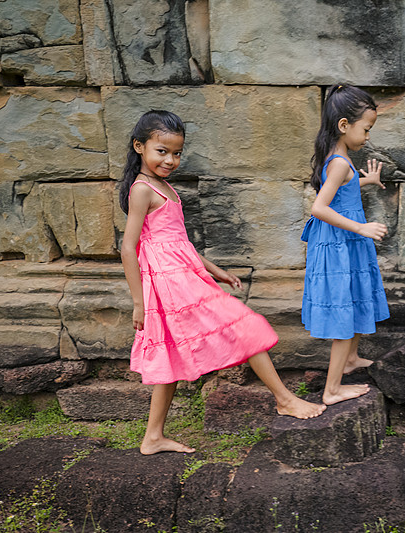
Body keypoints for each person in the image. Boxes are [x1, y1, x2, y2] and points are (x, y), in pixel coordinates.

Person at [119, 110, 325, 455]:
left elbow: (179, 243)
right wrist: (139, 303)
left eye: (177, 153)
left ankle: (153, 437)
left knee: (175, 354)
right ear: (139, 146)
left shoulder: (164, 187)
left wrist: (217, 271)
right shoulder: (141, 189)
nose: (170, 160)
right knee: (244, 325)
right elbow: (129, 247)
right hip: (171, 283)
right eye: (162, 151)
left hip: (184, 275)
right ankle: (285, 399)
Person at [301, 84, 390, 405]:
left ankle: (351, 360)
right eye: (365, 129)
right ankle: (332, 389)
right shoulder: (339, 162)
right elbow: (319, 208)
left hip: (344, 243)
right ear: (343, 125)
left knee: (352, 299)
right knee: (343, 311)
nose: (367, 136)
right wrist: (361, 227)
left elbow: (343, 189)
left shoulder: (339, 160)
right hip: (340, 243)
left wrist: (368, 180)